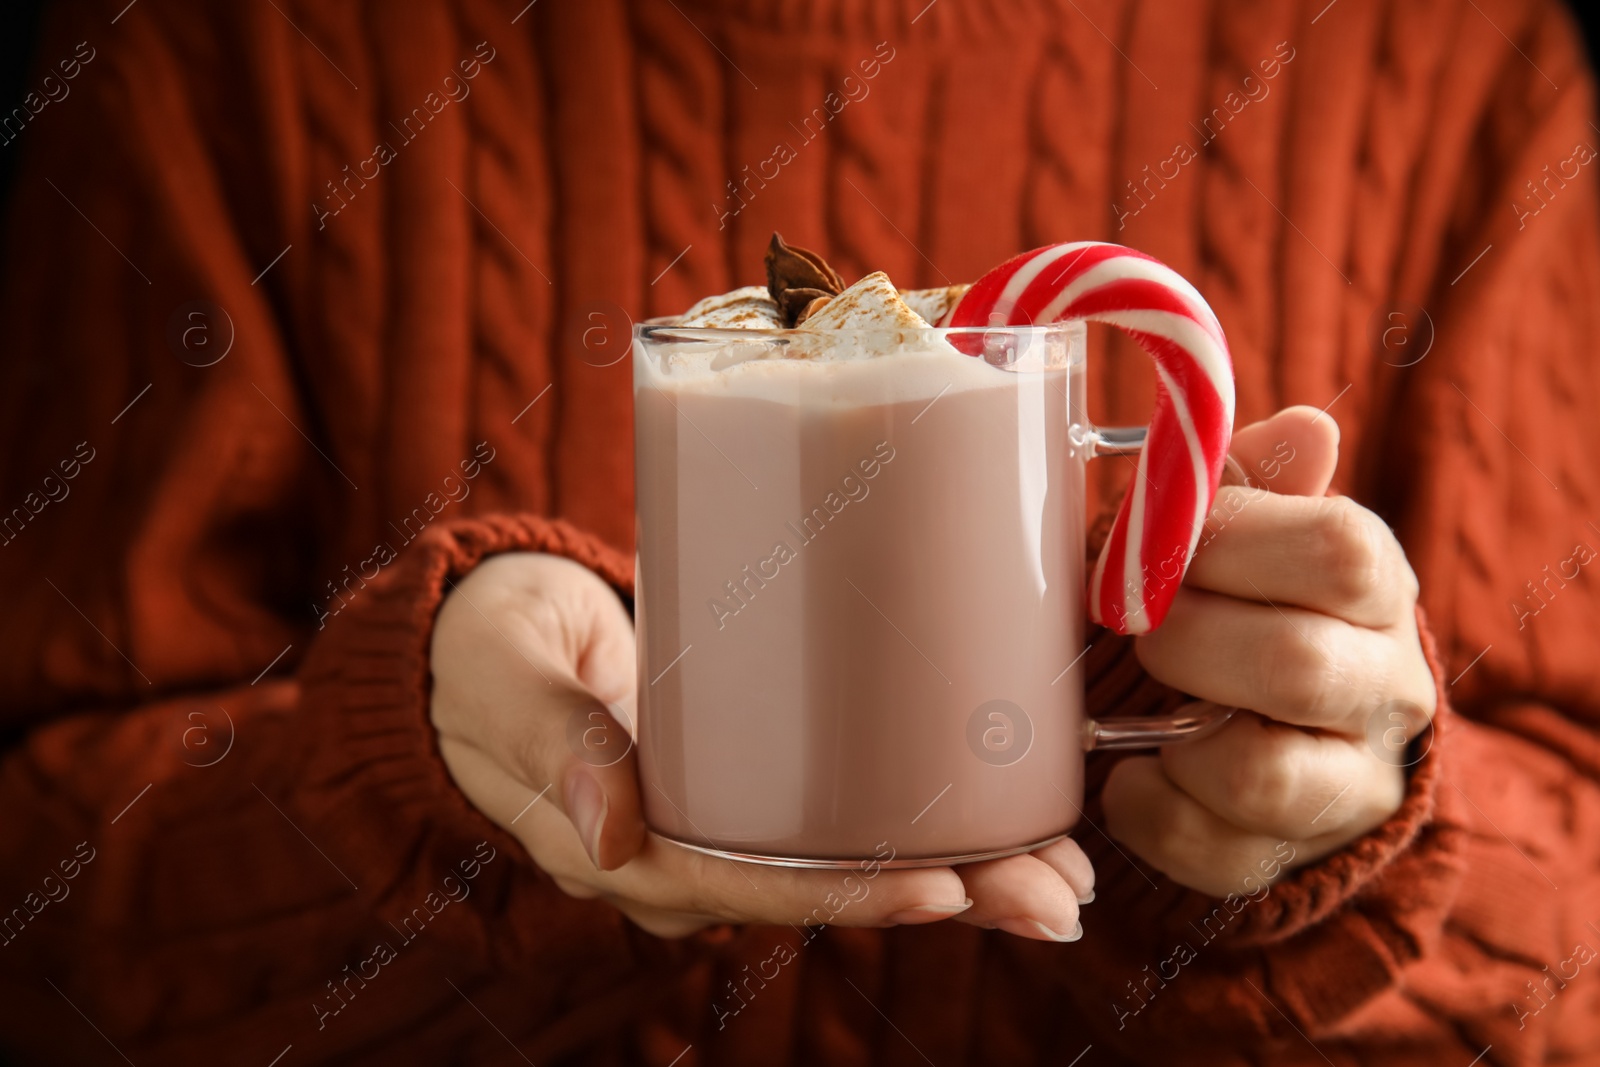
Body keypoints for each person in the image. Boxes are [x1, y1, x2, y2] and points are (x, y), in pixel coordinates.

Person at [0, 0, 1596, 1063]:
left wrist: (1349, 842)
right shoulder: (211, 47)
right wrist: (413, 791)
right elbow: (43, 908)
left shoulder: (1454, 50)